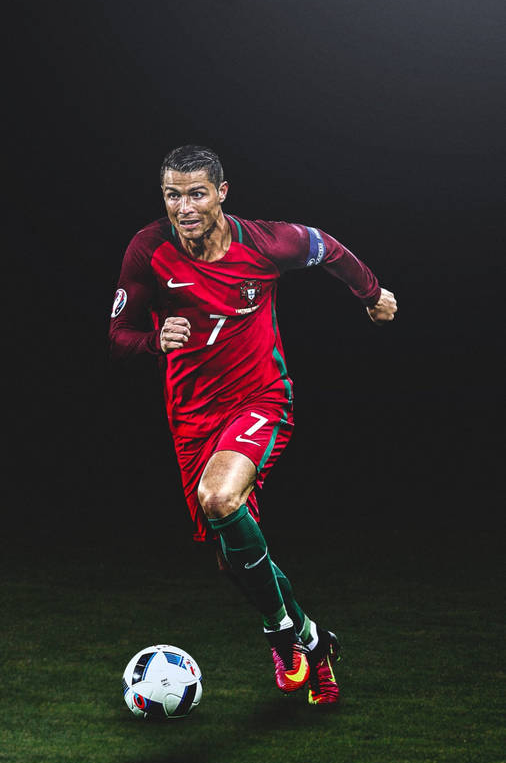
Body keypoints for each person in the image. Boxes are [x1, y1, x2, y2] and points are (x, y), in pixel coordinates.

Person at [109, 144, 397, 706]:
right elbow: (117, 339)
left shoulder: (265, 243)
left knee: (219, 498)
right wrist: (152, 341)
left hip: (259, 399)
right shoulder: (148, 250)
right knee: (234, 559)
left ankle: (280, 636)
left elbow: (327, 247)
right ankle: (314, 641)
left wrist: (371, 294)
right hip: (192, 419)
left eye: (197, 194)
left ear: (221, 193)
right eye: (173, 195)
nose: (185, 208)